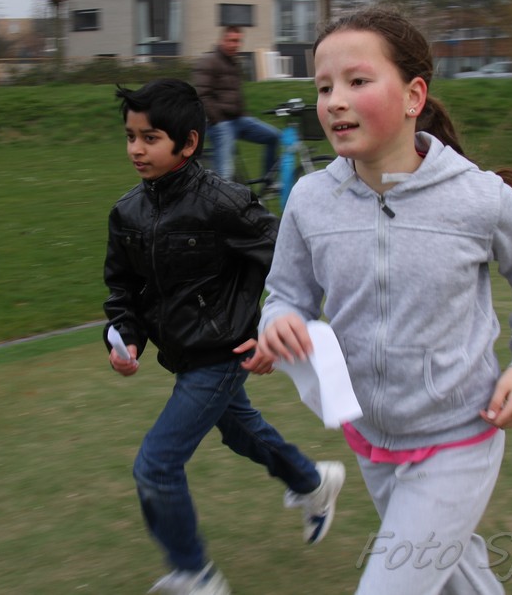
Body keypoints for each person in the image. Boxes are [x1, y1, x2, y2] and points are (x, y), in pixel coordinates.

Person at [248, 7, 512, 595]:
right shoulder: (310, 200)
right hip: (372, 437)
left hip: (461, 433)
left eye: (357, 81)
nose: (335, 101)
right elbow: (288, 293)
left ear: (413, 96)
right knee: (457, 580)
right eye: (324, 87)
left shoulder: (479, 198)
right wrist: (280, 321)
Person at [103, 78, 346, 595]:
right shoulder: (127, 213)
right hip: (183, 355)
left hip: (224, 352)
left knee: (156, 465)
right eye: (130, 137)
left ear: (188, 143)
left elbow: (289, 260)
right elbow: (123, 289)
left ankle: (195, 574)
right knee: (239, 431)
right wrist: (123, 337)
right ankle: (312, 481)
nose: (136, 149)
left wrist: (271, 331)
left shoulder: (224, 202)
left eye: (150, 138)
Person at [192, 25, 281, 182]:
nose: (235, 45)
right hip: (218, 123)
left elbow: (235, 94)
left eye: (238, 41)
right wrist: (218, 120)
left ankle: (268, 181)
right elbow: (202, 95)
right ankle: (220, 195)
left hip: (238, 120)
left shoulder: (234, 62)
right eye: (231, 40)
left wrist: (243, 114)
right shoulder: (209, 61)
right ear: (222, 40)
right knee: (225, 173)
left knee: (274, 136)